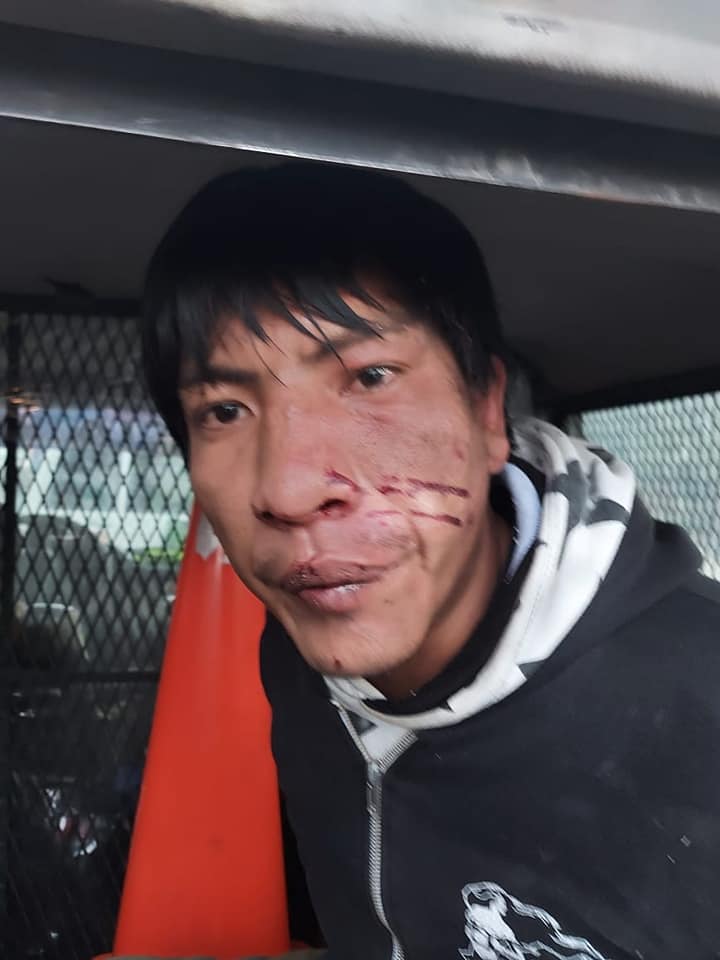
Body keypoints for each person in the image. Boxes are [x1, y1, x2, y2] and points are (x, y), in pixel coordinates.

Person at [125, 163, 720, 960]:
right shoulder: (296, 661)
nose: (289, 490)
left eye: (370, 378)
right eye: (224, 410)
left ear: (486, 412)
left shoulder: (700, 709)